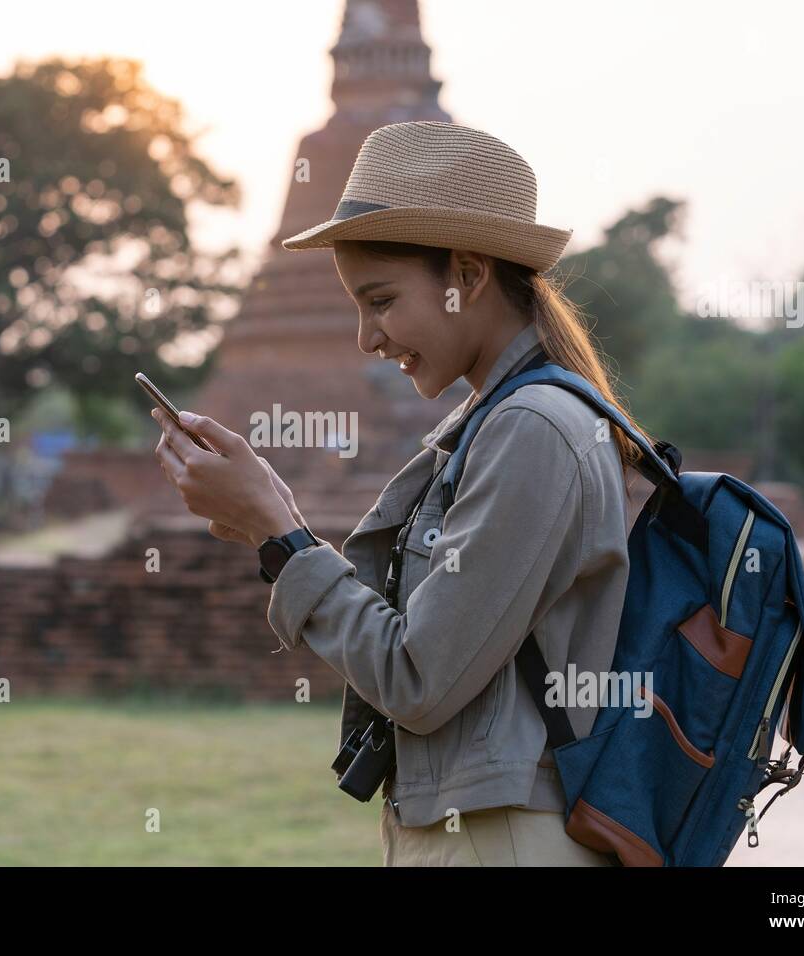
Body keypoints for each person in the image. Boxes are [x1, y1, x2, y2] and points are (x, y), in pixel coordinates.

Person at [150, 122, 644, 865]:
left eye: (380, 300)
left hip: (499, 838)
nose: (365, 338)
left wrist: (281, 538)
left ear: (469, 276)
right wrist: (275, 523)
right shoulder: (496, 424)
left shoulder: (530, 430)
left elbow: (417, 679)